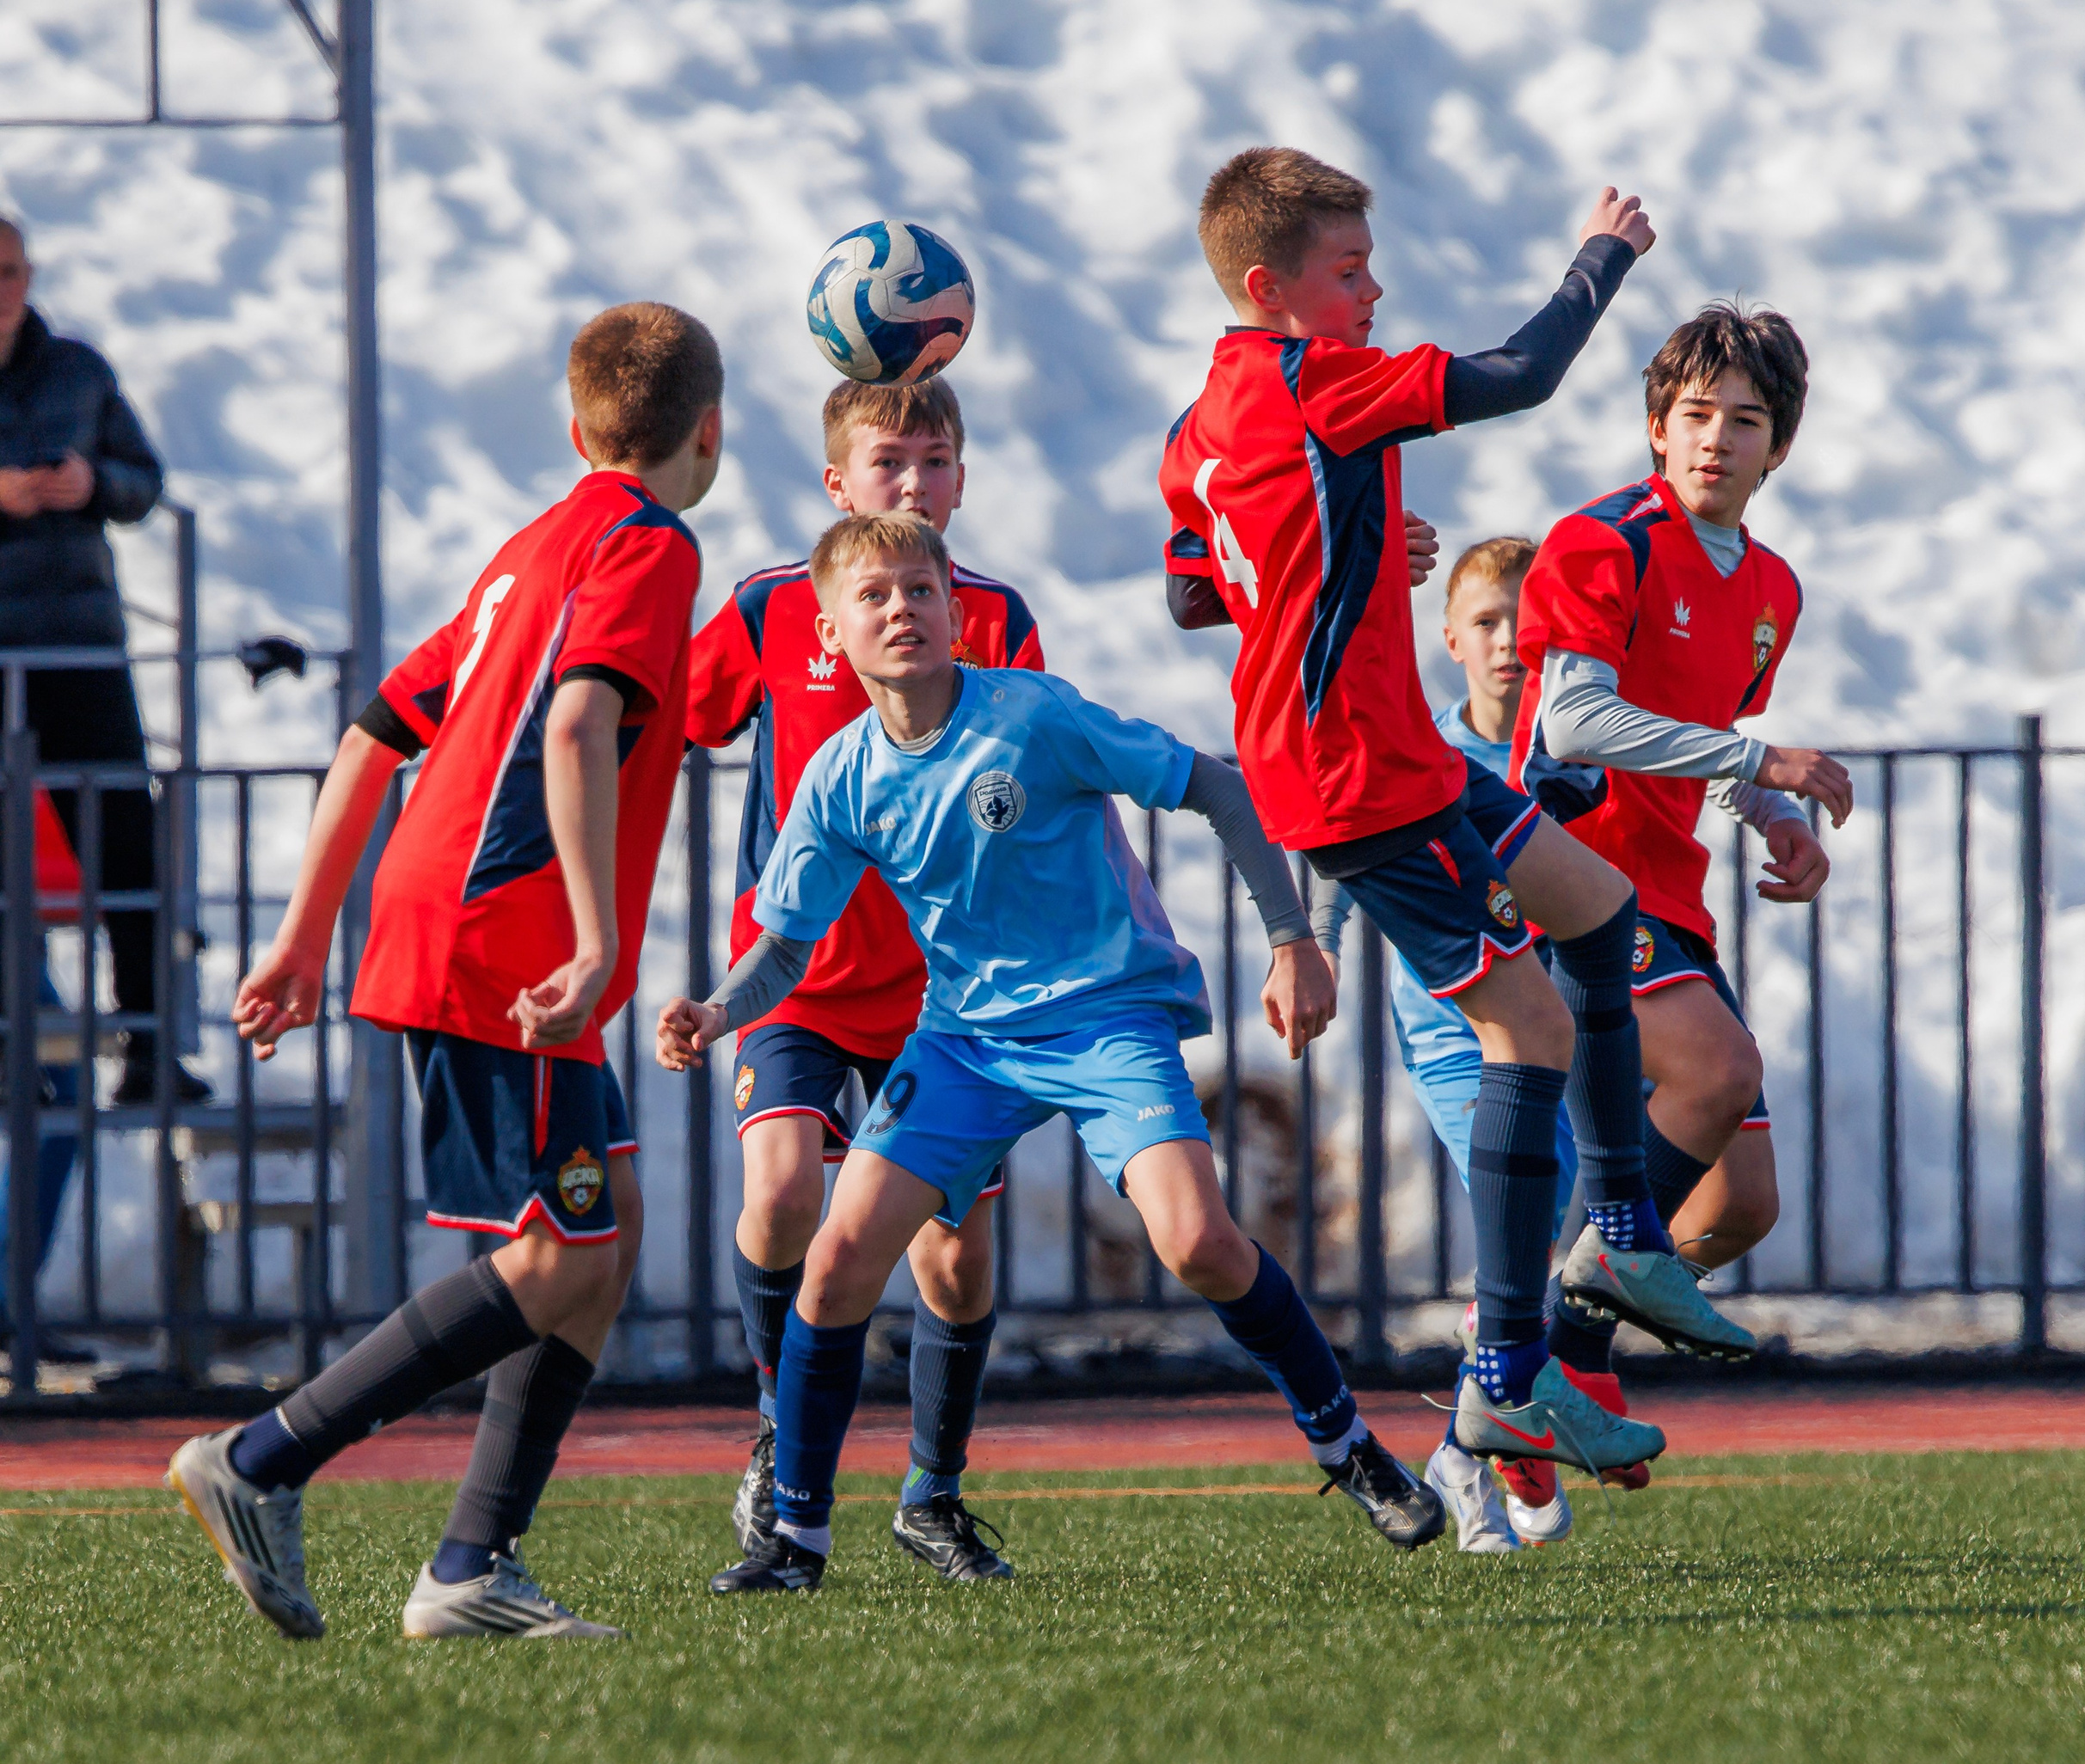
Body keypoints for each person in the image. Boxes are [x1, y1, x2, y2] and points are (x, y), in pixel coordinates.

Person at [657, 511, 1444, 1592]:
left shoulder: (1030, 715)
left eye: (920, 591)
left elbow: (1212, 787)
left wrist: (1291, 938)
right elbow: (787, 942)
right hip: (966, 1041)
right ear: (829, 634)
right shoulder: (839, 773)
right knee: (837, 1262)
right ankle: (796, 1539)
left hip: (1106, 1018)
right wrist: (713, 1008)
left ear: (953, 606)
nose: (902, 611)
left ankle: (1346, 1445)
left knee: (1198, 1242)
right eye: (874, 598)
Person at [1158, 147, 1746, 1486]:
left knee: (1596, 913)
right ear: (1272, 288)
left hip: (1398, 750)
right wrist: (1605, 256)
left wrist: (1350, 550)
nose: (1373, 291)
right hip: (1354, 777)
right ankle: (1505, 1385)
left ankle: (1625, 1237)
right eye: (1348, 271)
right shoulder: (1320, 384)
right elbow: (1523, 376)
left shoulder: (1200, 424)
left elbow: (1199, 593)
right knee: (1525, 1025)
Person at [164, 301, 722, 1641]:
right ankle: (261, 1460)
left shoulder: (530, 550)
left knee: (609, 1229)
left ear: (575, 424)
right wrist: (595, 940)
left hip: (458, 922)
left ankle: (472, 1567)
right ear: (709, 432)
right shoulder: (649, 547)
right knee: (553, 1254)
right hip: (508, 947)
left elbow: (371, 737)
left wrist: (305, 939)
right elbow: (580, 723)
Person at [684, 377, 1045, 1586]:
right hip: (795, 981)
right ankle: (783, 1432)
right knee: (784, 1193)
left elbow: (1035, 777)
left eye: (936, 462)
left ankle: (932, 1498)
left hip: (944, 1000)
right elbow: (664, 718)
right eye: (888, 462)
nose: (914, 484)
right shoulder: (771, 609)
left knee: (954, 1257)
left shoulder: (988, 614)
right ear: (836, 483)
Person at [1512, 299, 1849, 1418]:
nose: (1716, 439)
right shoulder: (1602, 540)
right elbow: (1573, 723)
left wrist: (1767, 811)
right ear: (1657, 425)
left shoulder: (1770, 588)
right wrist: (1765, 757)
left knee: (1743, 1204)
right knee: (1718, 1073)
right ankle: (1541, 1355)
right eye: (1696, 414)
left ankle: (1552, 1356)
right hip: (1565, 875)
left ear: (1779, 446)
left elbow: (1687, 733)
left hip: (1664, 889)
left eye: (1745, 420)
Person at [1307, 538, 1585, 1552]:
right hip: (1456, 1030)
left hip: (1568, 1027)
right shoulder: (1416, 749)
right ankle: (1476, 1452)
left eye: (1528, 620)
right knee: (1533, 1191)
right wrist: (1314, 945)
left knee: (1562, 1232)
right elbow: (1337, 857)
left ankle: (1489, 1422)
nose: (1510, 642)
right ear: (1450, 638)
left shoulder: (1574, 742)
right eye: (1487, 623)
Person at [0, 215, 205, 1105]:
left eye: (10, 270)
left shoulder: (78, 369)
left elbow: (145, 479)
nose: (2, 288)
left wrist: (93, 487)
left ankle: (150, 1047)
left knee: (126, 842)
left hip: (80, 645)